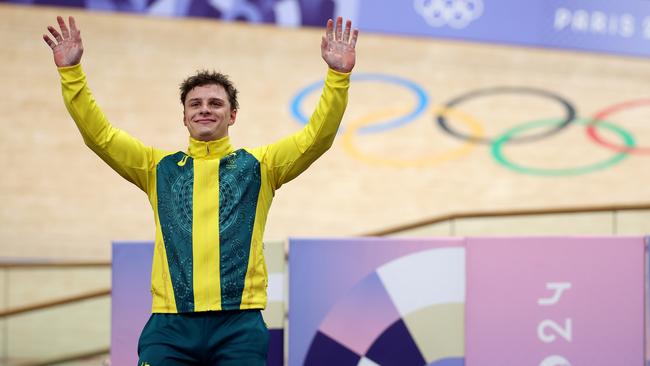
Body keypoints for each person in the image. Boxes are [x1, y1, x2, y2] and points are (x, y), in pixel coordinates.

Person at [43, 15, 358, 365]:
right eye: (195, 104)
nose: (205, 109)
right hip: (170, 326)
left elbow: (318, 137)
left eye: (215, 103)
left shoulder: (261, 165)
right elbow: (99, 136)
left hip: (238, 325)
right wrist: (71, 74)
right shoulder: (156, 168)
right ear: (184, 117)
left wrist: (338, 77)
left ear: (233, 115)